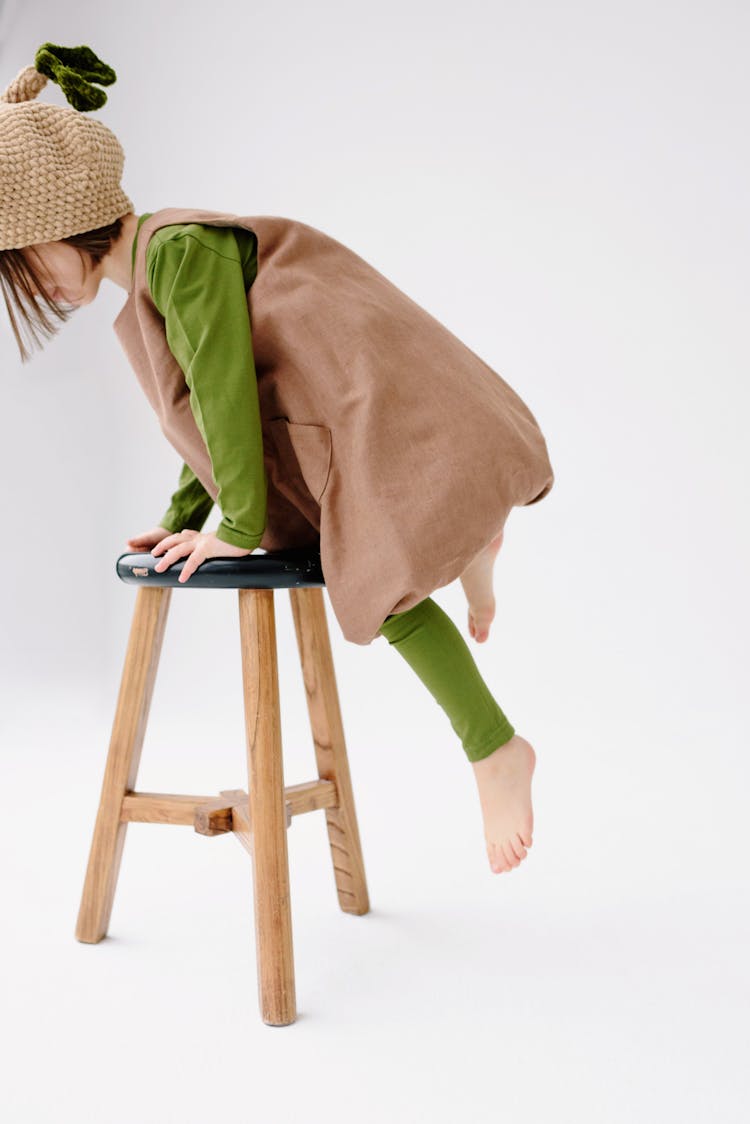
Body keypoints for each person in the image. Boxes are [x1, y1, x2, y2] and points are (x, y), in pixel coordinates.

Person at [0, 42, 555, 876]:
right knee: (377, 555)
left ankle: (495, 749)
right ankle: (477, 553)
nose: (36, 288)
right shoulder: (154, 276)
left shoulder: (176, 255)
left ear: (62, 220)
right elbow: (205, 422)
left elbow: (225, 392)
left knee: (377, 583)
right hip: (337, 416)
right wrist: (183, 516)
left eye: (28, 263)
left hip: (365, 404)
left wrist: (238, 524)